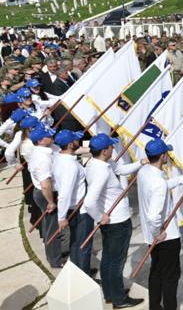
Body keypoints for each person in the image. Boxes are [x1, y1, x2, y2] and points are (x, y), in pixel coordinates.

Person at [84, 133, 146, 308]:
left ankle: (110, 293)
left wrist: (140, 163)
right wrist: (99, 217)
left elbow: (119, 170)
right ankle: (119, 299)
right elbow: (89, 202)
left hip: (113, 221)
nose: (113, 148)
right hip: (116, 222)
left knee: (108, 259)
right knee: (116, 262)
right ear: (104, 151)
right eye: (110, 147)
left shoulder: (98, 163)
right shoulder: (102, 172)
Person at [138, 138, 183, 310]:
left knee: (156, 272)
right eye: (166, 153)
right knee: (170, 277)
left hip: (151, 235)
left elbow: (162, 186)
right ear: (162, 156)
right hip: (165, 238)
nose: (168, 155)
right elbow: (154, 215)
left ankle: (155, 306)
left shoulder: (144, 171)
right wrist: (158, 234)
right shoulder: (158, 183)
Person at [51, 129, 93, 275]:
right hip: (78, 209)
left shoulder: (60, 157)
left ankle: (78, 272)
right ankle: (84, 277)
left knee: (76, 242)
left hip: (73, 208)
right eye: (75, 139)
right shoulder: (69, 165)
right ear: (70, 144)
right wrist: (61, 217)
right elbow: (64, 193)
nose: (78, 141)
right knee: (83, 244)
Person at [28, 126, 62, 268]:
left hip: (44, 192)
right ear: (41, 140)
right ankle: (55, 260)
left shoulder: (44, 150)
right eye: (48, 135)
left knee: (50, 226)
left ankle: (53, 255)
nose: (51, 136)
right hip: (46, 194)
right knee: (52, 228)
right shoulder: (42, 158)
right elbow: (45, 184)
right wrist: (51, 202)